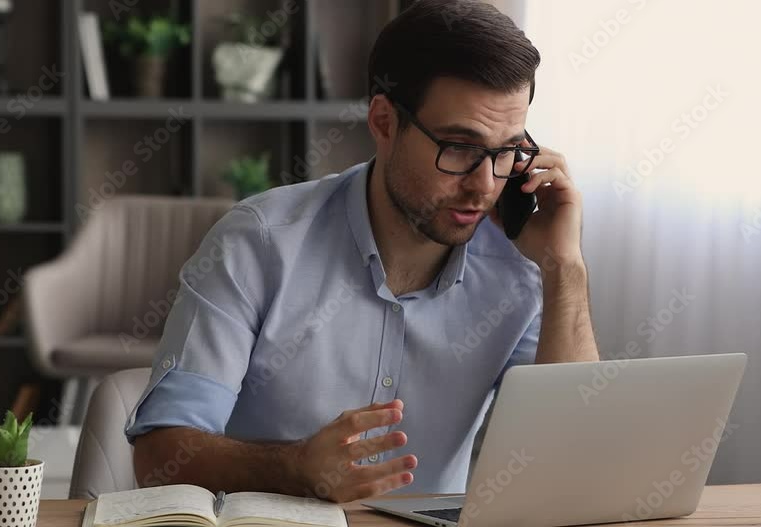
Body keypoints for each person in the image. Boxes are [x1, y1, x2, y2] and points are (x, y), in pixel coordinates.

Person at [127, 0, 599, 504]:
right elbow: (160, 456)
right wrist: (291, 467)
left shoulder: (522, 267)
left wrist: (564, 266)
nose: (484, 185)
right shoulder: (258, 243)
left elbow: (572, 459)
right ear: (384, 122)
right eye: (459, 146)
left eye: (508, 150)